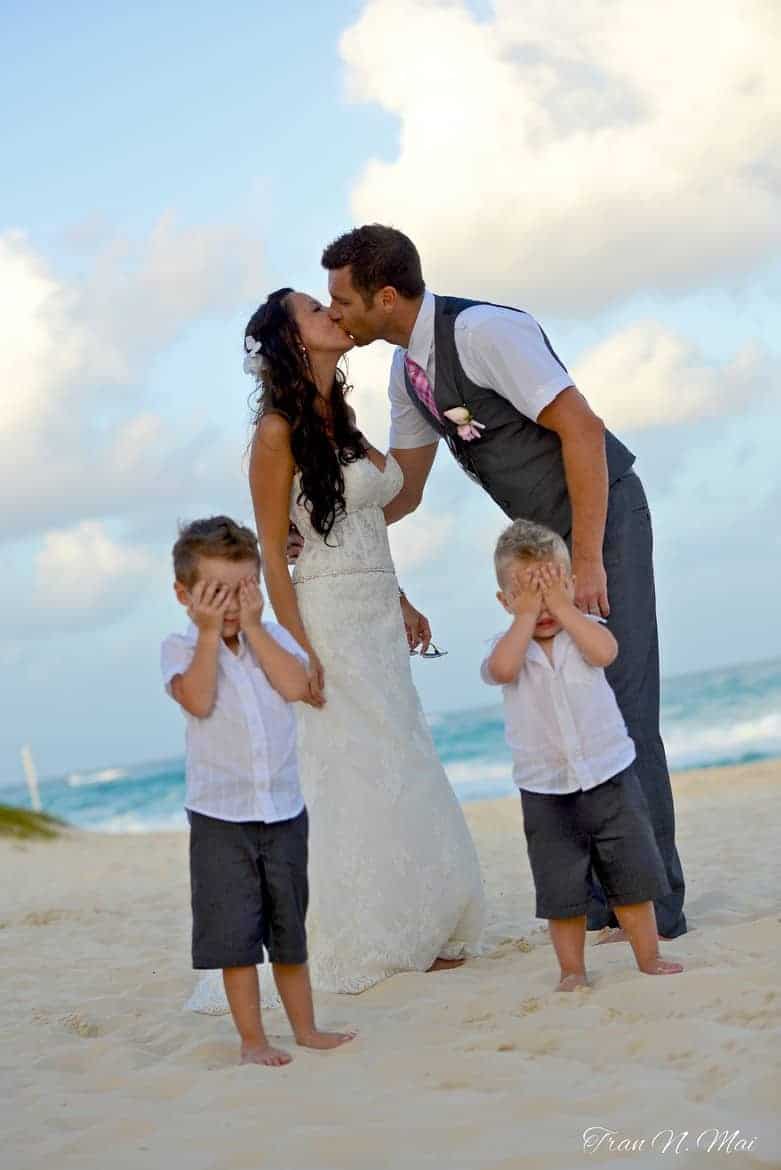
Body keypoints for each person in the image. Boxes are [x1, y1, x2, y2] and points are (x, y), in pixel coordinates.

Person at [320, 224, 686, 941]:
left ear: (385, 296)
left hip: (599, 523)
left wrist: (586, 562)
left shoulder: (485, 332)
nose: (335, 313)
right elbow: (406, 490)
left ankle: (657, 908)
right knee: (567, 715)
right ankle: (603, 903)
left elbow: (582, 429)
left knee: (624, 710)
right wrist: (334, 528)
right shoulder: (405, 373)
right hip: (543, 546)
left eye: (341, 300)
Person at [238, 286, 484, 999]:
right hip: (328, 619)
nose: (332, 315)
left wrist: (400, 597)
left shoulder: (341, 418)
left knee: (400, 754)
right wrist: (297, 646)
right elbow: (270, 548)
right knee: (350, 768)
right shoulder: (277, 431)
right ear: (292, 341)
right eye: (316, 310)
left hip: (376, 611)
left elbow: (364, 516)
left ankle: (423, 923)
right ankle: (367, 933)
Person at [160, 516, 356, 1063]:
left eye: (244, 588)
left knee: (289, 931)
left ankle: (306, 1028)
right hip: (220, 818)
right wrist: (207, 635)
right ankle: (252, 1039)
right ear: (184, 594)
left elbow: (297, 687)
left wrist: (256, 628)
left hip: (284, 811)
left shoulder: (274, 640)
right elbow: (198, 700)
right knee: (236, 937)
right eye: (216, 593)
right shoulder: (178, 647)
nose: (231, 604)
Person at [482, 520, 683, 989]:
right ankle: (572, 969)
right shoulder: (506, 646)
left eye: (551, 584)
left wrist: (562, 606)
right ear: (505, 601)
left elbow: (607, 652)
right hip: (546, 789)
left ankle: (648, 956)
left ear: (570, 585)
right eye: (527, 590)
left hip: (609, 776)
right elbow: (502, 669)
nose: (542, 602)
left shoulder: (587, 631)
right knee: (562, 888)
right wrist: (527, 617)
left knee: (631, 875)